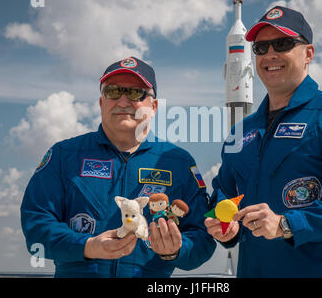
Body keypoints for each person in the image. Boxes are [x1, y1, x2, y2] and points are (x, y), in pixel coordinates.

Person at [205, 6, 322, 278]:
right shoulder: (241, 132)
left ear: (308, 54)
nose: (270, 55)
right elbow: (223, 192)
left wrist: (287, 224)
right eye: (261, 48)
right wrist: (224, 224)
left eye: (283, 43)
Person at [21, 56, 216, 277]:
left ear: (153, 106)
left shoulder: (179, 163)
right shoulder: (63, 155)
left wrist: (176, 250)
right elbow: (36, 225)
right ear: (101, 102)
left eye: (135, 93)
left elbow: (203, 237)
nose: (123, 101)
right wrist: (88, 246)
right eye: (113, 91)